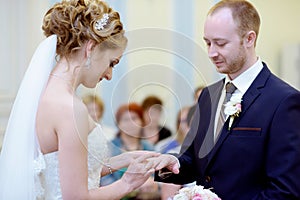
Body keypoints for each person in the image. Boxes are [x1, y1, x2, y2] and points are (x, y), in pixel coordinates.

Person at [0, 0, 159, 199]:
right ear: (91, 48)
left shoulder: (48, 93)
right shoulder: (69, 107)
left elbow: (63, 169)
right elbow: (76, 197)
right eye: (112, 63)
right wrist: (127, 183)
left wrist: (124, 159)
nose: (109, 75)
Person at [151, 1, 300, 199]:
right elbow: (194, 161)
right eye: (207, 42)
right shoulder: (207, 96)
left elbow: (285, 190)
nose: (211, 52)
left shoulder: (284, 101)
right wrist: (170, 163)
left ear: (249, 39)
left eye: (220, 43)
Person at [101, 103, 160, 200]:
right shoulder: (109, 147)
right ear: (118, 124)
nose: (131, 123)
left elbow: (159, 175)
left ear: (142, 122)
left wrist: (153, 183)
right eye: (126, 120)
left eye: (135, 118)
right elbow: (103, 179)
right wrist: (131, 187)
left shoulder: (149, 147)